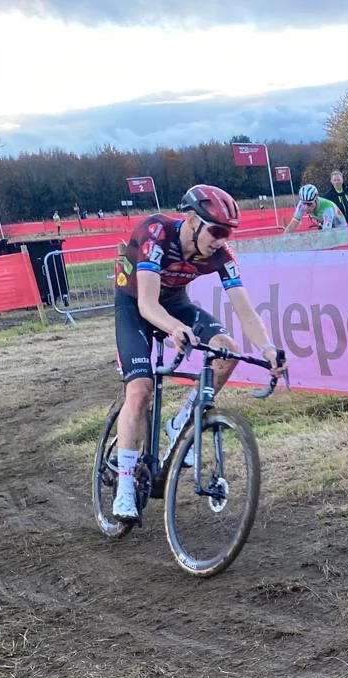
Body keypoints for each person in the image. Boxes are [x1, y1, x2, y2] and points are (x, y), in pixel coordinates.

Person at [109, 185, 284, 521]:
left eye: (228, 232)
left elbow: (245, 308)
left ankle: (181, 421)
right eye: (217, 230)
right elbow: (147, 303)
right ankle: (126, 487)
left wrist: (268, 348)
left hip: (176, 304)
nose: (222, 239)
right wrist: (173, 328)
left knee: (227, 351)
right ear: (191, 220)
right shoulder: (156, 233)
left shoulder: (221, 255)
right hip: (134, 306)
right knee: (140, 390)